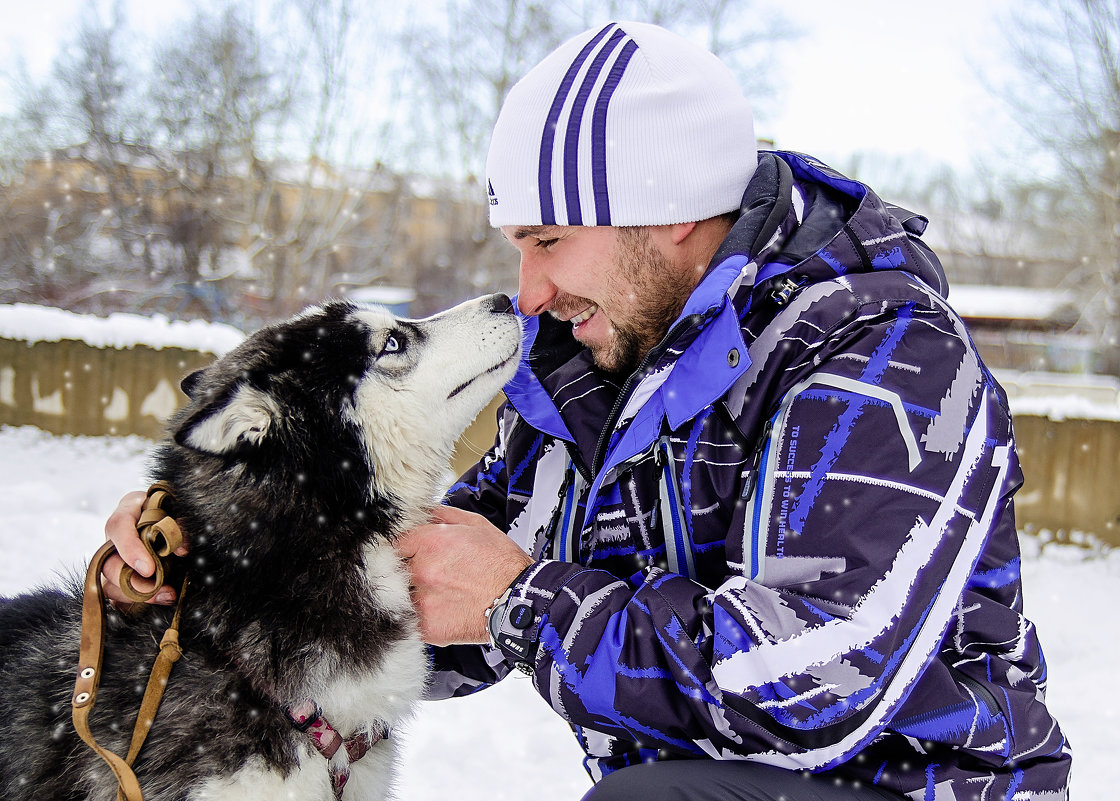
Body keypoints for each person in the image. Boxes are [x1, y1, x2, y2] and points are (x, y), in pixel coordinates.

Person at [104, 21, 1071, 801]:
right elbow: (430, 588)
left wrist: (523, 602)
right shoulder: (586, 368)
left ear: (673, 212)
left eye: (549, 240)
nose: (527, 292)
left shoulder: (881, 356)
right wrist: (214, 554)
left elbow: (823, 674)